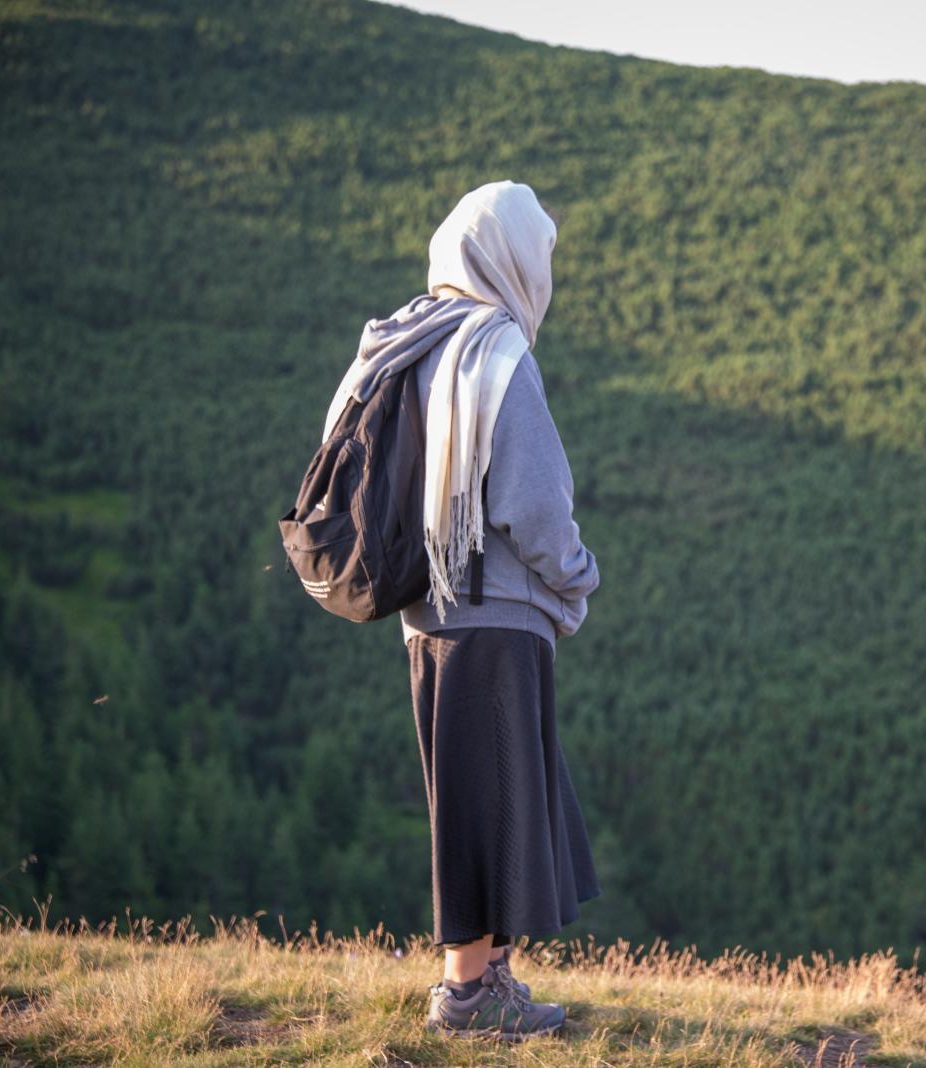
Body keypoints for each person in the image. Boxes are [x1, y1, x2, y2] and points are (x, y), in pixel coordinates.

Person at [340, 180, 601, 1041]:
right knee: (494, 799)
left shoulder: (402, 344)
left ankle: (488, 978)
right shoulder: (496, 351)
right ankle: (466, 995)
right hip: (497, 613)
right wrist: (577, 578)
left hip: (429, 615)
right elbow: (536, 501)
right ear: (513, 258)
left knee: (476, 795)